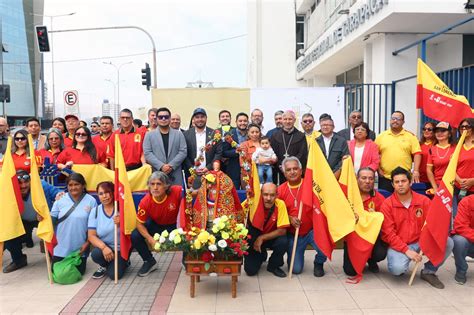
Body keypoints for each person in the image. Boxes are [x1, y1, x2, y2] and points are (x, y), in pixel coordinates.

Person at [380, 167, 453, 289]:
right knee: (397, 270)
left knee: (448, 242)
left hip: (421, 241)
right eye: (397, 182)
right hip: (400, 244)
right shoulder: (387, 205)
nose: (400, 185)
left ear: (410, 182)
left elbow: (433, 223)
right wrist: (406, 251)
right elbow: (388, 233)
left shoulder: (424, 201)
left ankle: (429, 271)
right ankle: (403, 262)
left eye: (404, 181)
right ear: (392, 184)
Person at [3, 170, 64, 273]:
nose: (23, 186)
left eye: (26, 182)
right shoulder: (8, 191)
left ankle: (55, 257)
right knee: (9, 236)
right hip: (22, 221)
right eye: (20, 183)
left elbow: (57, 193)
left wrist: (60, 195)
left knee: (53, 235)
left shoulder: (41, 185)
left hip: (43, 219)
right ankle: (18, 260)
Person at [278, 157, 327, 277]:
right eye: (289, 170)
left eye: (295, 168)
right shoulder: (280, 190)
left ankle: (319, 262)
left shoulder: (311, 186)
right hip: (293, 234)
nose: (292, 172)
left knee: (325, 246)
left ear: (301, 170)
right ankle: (298, 254)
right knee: (296, 269)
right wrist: (289, 218)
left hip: (312, 230)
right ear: (284, 173)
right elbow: (277, 213)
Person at [131, 172, 182, 276]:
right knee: (135, 235)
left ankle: (187, 260)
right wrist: (150, 239)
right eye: (152, 184)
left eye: (158, 184)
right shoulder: (145, 201)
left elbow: (191, 194)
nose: (155, 187)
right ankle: (149, 261)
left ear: (166, 186)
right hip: (157, 225)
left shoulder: (176, 191)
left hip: (175, 225)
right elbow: (139, 224)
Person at [51, 173, 98, 276]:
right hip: (60, 246)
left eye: (76, 184)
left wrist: (87, 244)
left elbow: (93, 226)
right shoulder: (60, 200)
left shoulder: (91, 201)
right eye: (70, 185)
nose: (73, 188)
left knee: (76, 274)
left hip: (80, 248)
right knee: (58, 275)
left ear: (83, 185)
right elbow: (51, 221)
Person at [343, 167, 387, 276]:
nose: (367, 181)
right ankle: (359, 258)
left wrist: (375, 216)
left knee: (380, 254)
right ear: (357, 179)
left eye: (371, 179)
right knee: (350, 272)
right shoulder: (348, 196)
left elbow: (386, 222)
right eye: (363, 178)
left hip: (370, 238)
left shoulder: (380, 198)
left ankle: (371, 260)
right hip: (352, 238)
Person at [182, 160, 244, 229]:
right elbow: (200, 192)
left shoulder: (225, 179)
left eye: (217, 165)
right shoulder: (207, 177)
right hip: (208, 205)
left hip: (219, 208)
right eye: (214, 165)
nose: (216, 167)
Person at [244, 183, 289, 278]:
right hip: (254, 239)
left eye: (272, 195)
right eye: (265, 194)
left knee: (283, 240)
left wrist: (262, 238)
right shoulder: (251, 202)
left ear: (277, 195)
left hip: (270, 237)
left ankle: (273, 266)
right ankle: (261, 254)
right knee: (250, 271)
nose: (268, 198)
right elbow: (237, 215)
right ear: (260, 194)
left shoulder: (280, 204)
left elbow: (282, 230)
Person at [88, 181, 129, 280]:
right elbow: (91, 235)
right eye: (101, 194)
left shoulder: (122, 208)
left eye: (107, 192)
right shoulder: (95, 211)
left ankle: (124, 261)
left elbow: (132, 228)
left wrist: (122, 222)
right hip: (106, 247)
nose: (104, 196)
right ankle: (104, 264)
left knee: (114, 275)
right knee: (96, 254)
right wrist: (103, 248)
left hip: (120, 248)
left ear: (113, 193)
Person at [375, 111, 421, 192]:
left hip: (404, 178)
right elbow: (374, 154)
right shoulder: (381, 136)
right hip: (385, 177)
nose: (395, 121)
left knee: (403, 202)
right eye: (393, 118)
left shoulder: (411, 136)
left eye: (398, 119)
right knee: (385, 202)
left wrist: (416, 171)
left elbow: (417, 153)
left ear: (403, 122)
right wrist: (378, 169)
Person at [143, 107, 187, 186]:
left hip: (175, 173)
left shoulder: (179, 134)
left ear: (170, 119)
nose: (163, 119)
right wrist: (161, 166)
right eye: (160, 117)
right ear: (156, 119)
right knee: (158, 197)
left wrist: (171, 166)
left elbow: (183, 151)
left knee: (176, 197)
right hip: (157, 173)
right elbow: (147, 153)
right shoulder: (149, 135)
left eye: (166, 117)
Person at [183, 108, 222, 185]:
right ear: (193, 119)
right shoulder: (186, 134)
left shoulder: (215, 134)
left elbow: (218, 153)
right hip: (192, 175)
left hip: (210, 173)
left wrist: (208, 167)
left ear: (206, 118)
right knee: (194, 196)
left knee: (210, 196)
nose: (200, 119)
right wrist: (191, 168)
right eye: (197, 117)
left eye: (202, 117)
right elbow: (184, 154)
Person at [270, 110, 308, 183]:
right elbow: (273, 153)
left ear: (294, 120)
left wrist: (292, 166)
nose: (288, 121)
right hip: (280, 170)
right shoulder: (275, 136)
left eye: (290, 119)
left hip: (295, 171)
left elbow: (302, 154)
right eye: (285, 119)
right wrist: (281, 166)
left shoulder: (301, 136)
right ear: (282, 120)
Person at [426, 122, 456, 193]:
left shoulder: (456, 148)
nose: (439, 133)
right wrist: (435, 187)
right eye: (437, 131)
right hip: (438, 185)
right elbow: (429, 170)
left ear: (449, 133)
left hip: (454, 185)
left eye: (443, 131)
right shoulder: (432, 149)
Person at [222, 112, 248, 188]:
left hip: (248, 169)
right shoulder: (229, 134)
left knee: (248, 193)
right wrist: (235, 152)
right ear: (236, 122)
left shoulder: (251, 134)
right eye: (240, 121)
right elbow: (223, 152)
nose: (243, 123)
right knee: (234, 193)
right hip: (234, 169)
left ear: (248, 122)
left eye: (245, 121)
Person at [452, 194, 474, 285]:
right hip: (470, 242)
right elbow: (460, 227)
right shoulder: (467, 201)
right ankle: (461, 270)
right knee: (458, 241)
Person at [455, 118, 474, 204]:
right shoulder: (457, 147)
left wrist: (472, 181)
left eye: (467, 126)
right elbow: (451, 168)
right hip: (459, 188)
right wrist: (459, 180)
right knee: (461, 215)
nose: (464, 129)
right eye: (462, 127)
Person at [418, 121, 436, 186]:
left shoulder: (437, 145)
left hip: (434, 180)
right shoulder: (418, 145)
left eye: (429, 129)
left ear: (434, 131)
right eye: (424, 129)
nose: (426, 131)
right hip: (420, 179)